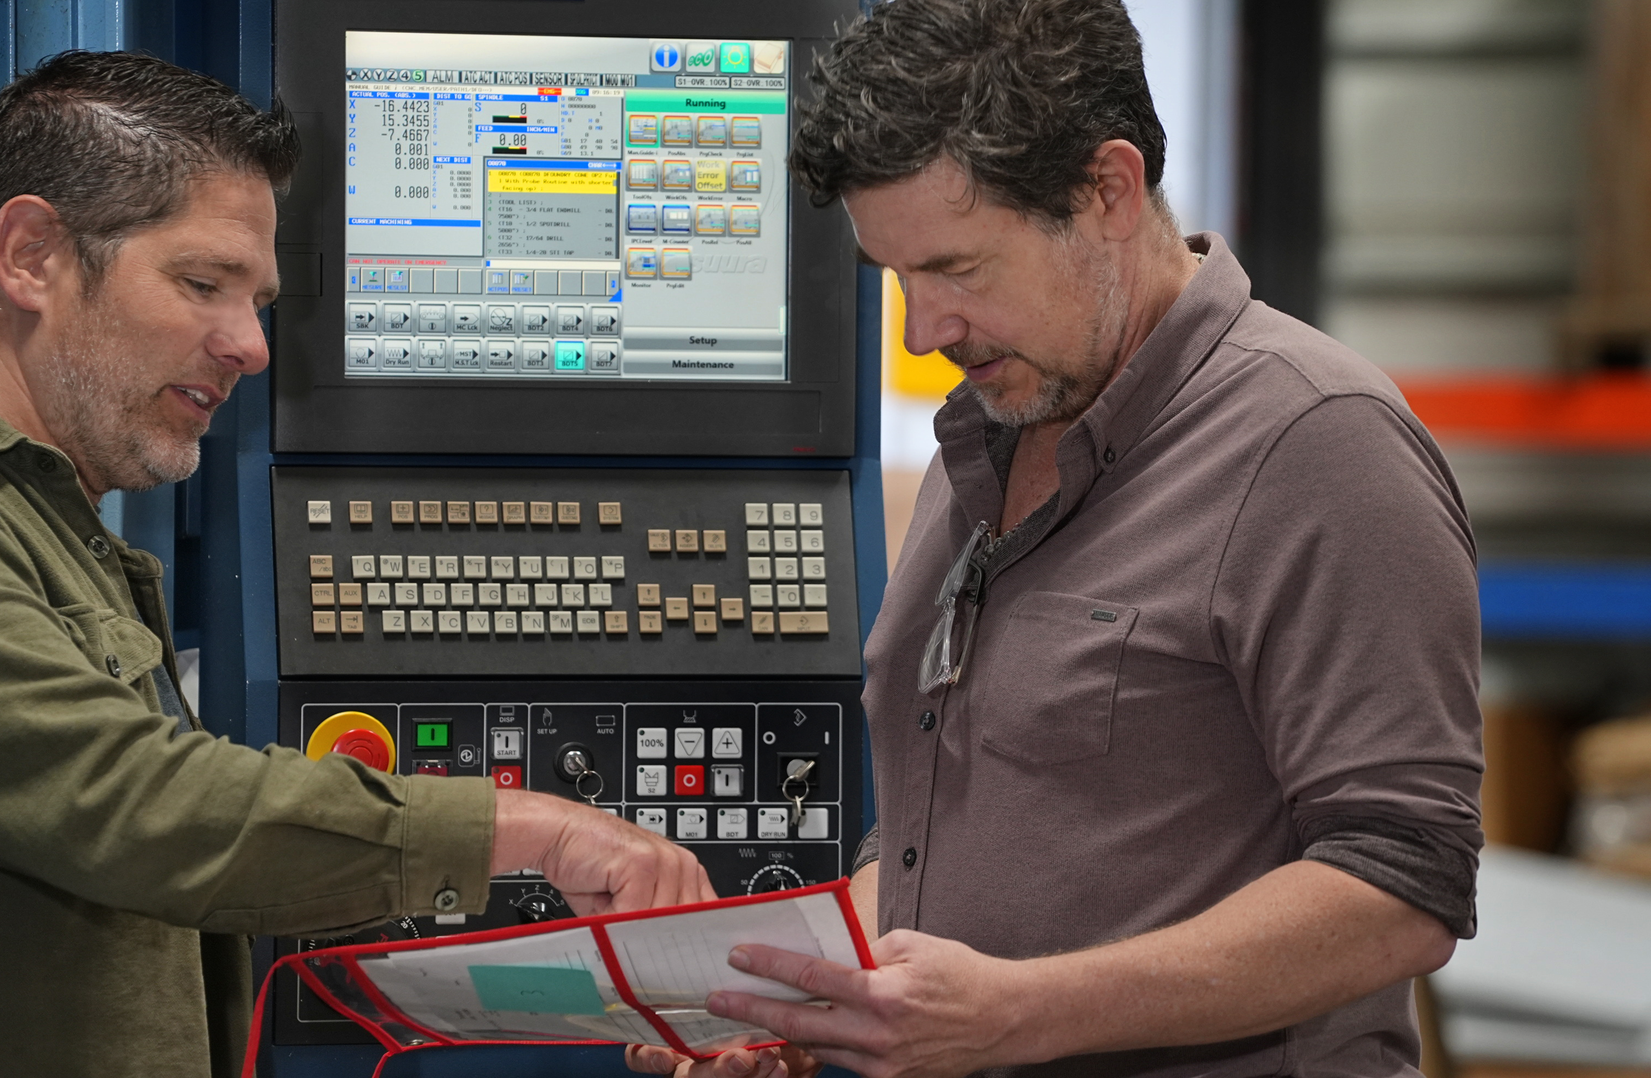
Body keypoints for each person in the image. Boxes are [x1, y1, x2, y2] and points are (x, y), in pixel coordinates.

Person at [0, 51, 710, 1078]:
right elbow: (140, 807)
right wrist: (527, 830)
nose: (250, 344)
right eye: (204, 283)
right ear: (29, 256)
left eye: (258, 301)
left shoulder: (63, 541)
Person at [631, 2, 1482, 1077]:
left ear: (1109, 190)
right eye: (896, 277)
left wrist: (1022, 1012)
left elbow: (1406, 883)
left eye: (958, 270)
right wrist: (812, 1001)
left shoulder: (1318, 444)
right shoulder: (991, 432)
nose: (921, 331)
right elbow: (960, 851)